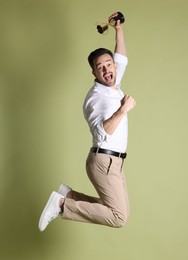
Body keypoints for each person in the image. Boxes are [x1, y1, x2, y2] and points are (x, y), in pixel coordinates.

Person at [38, 12, 136, 232]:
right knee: (118, 217)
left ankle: (69, 195)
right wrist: (123, 109)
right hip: (103, 162)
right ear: (94, 72)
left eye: (109, 64)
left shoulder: (113, 82)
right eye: (100, 67)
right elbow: (103, 132)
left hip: (116, 163)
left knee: (117, 211)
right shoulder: (96, 98)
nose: (107, 70)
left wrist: (118, 29)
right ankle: (62, 205)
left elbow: (121, 57)